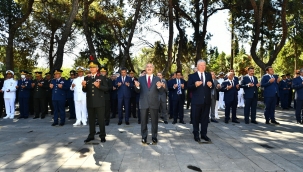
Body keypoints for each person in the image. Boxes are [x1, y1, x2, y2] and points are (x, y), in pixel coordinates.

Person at [134, 63, 164, 144]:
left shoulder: (157, 78)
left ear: (153, 69)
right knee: (143, 121)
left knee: (154, 122)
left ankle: (154, 137)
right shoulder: (140, 79)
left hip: (154, 103)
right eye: (147, 67)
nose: (149, 68)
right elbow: (137, 91)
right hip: (143, 102)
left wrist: (159, 86)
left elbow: (161, 92)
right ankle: (144, 137)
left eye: (151, 67)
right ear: (145, 69)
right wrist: (137, 86)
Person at [82, 57, 108, 143]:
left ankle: (102, 135)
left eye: (93, 67)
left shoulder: (101, 77)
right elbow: (84, 91)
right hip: (90, 102)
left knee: (101, 120)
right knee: (91, 120)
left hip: (99, 102)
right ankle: (91, 135)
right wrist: (84, 86)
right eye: (90, 67)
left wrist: (99, 86)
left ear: (97, 69)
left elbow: (106, 88)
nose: (92, 69)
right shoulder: (87, 78)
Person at [187, 60, 213, 142]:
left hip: (206, 101)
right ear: (197, 66)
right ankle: (196, 134)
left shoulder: (208, 75)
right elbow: (189, 87)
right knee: (196, 118)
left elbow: (212, 86)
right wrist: (195, 85)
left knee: (205, 119)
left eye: (204, 65)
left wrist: (211, 85)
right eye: (201, 65)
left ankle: (204, 134)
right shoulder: (192, 76)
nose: (203, 67)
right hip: (196, 101)